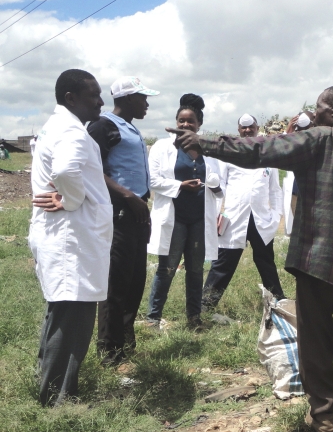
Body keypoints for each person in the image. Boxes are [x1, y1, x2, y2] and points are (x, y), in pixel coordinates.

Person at [172, 84, 333, 432]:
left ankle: (327, 418)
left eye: (319, 107)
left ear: (331, 110)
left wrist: (205, 142)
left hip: (317, 260)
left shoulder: (320, 139)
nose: (316, 113)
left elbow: (261, 150)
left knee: (316, 342)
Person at [29, 69, 112, 406]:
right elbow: (65, 171)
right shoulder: (71, 132)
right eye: (94, 94)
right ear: (71, 98)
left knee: (62, 311)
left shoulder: (57, 126)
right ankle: (58, 400)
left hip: (66, 235)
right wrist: (72, 200)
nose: (100, 101)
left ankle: (47, 385)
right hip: (72, 237)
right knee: (73, 317)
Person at [87, 76, 158, 365]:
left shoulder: (131, 129)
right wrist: (128, 196)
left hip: (137, 213)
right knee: (116, 282)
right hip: (119, 213)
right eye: (143, 98)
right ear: (129, 98)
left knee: (135, 280)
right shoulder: (103, 126)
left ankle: (125, 343)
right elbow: (91, 170)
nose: (147, 104)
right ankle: (109, 351)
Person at [146, 94, 222, 329]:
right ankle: (153, 318)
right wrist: (180, 185)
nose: (185, 125)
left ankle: (194, 318)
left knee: (196, 270)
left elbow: (219, 184)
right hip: (174, 217)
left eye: (190, 121)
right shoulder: (162, 147)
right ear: (176, 122)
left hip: (200, 218)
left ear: (199, 124)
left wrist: (214, 184)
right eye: (181, 120)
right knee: (167, 268)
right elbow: (153, 180)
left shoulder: (206, 149)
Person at [201, 113, 285, 311]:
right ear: (238, 130)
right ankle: (205, 305)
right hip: (234, 217)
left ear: (257, 128)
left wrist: (275, 217)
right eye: (243, 128)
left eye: (251, 127)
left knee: (266, 261)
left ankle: (278, 302)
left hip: (260, 219)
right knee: (223, 263)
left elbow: (275, 191)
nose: (248, 130)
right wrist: (215, 214)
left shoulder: (266, 155)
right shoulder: (231, 155)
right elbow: (219, 185)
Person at [282, 111, 315, 235]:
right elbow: (280, 150)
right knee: (298, 228)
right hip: (296, 189)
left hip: (315, 190)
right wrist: (287, 133)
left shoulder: (320, 137)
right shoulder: (294, 140)